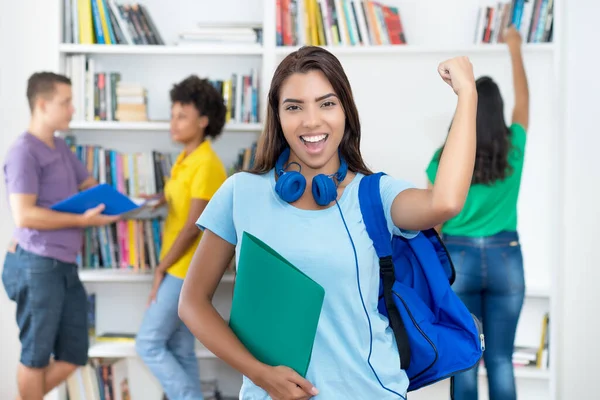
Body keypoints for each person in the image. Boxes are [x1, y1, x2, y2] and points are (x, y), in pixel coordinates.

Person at [178, 45, 477, 400]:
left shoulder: (373, 195)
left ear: (346, 112)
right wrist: (260, 373)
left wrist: (468, 95)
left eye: (327, 103)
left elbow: (445, 201)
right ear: (278, 115)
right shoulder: (240, 192)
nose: (311, 121)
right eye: (294, 107)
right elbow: (192, 302)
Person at [425, 26, 529, 400]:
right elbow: (524, 102)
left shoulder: (443, 160)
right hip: (507, 257)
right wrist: (514, 49)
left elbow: (432, 220)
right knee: (501, 360)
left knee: (465, 359)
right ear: (498, 112)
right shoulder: (514, 148)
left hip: (459, 257)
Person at [2, 72, 119, 400]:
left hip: (64, 265)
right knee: (36, 357)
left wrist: (116, 200)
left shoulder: (60, 148)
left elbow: (88, 184)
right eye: (65, 102)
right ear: (42, 104)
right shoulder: (23, 152)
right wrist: (81, 220)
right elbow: (24, 215)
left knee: (73, 353)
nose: (72, 109)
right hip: (36, 264)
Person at [135, 74, 228, 400]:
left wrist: (160, 268)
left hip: (184, 268)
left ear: (203, 121)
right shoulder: (185, 158)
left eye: (182, 116)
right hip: (178, 267)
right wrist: (162, 198)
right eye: (172, 115)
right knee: (179, 347)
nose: (173, 123)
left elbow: (193, 227)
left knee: (147, 343)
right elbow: (184, 198)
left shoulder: (207, 164)